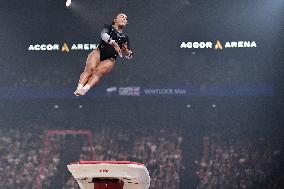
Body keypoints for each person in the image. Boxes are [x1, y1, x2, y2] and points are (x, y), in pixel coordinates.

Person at [74, 13, 133, 96]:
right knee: (89, 69)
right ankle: (79, 88)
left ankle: (85, 89)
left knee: (98, 72)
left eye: (126, 19)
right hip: (99, 52)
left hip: (110, 58)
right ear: (115, 20)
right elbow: (103, 35)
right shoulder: (108, 27)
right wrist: (113, 43)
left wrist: (126, 51)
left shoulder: (125, 37)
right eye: (122, 17)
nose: (124, 19)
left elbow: (129, 55)